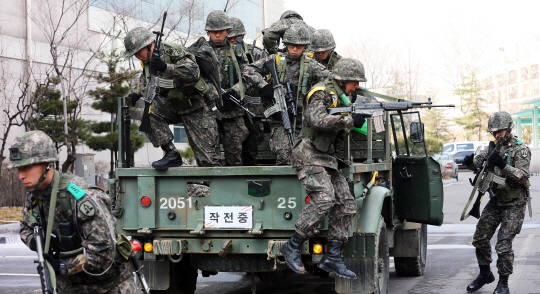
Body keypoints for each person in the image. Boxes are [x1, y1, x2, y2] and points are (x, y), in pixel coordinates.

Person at [9, 130, 137, 293]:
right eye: (18, 169)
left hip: (108, 287)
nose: (21, 175)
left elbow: (104, 251)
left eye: (27, 167)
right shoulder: (35, 198)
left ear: (48, 164)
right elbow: (25, 228)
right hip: (70, 288)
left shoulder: (79, 197)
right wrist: (37, 242)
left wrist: (63, 266)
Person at [279, 58, 370, 279]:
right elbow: (317, 119)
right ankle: (292, 245)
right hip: (307, 154)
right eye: (354, 82)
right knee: (324, 198)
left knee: (347, 204)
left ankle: (333, 256)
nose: (356, 86)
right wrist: (350, 120)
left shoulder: (341, 96)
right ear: (342, 79)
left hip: (326, 157)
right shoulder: (320, 92)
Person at [124, 27, 221, 169]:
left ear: (150, 45)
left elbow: (193, 72)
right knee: (149, 113)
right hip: (175, 105)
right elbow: (147, 79)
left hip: (197, 106)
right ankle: (171, 153)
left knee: (208, 161)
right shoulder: (147, 60)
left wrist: (167, 67)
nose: (138, 56)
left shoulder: (173, 51)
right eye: (135, 54)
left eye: (139, 52)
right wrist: (138, 93)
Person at [463, 111, 531, 294]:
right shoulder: (492, 148)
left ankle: (503, 283)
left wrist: (503, 165)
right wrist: (470, 163)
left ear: (508, 129)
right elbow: (479, 163)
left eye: (500, 131)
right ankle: (485, 273)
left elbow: (523, 175)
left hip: (515, 203)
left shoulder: (520, 149)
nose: (497, 135)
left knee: (503, 245)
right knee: (479, 238)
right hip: (496, 200)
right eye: (494, 132)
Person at [243, 24, 329, 165]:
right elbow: (248, 70)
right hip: (280, 121)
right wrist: (264, 86)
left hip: (303, 122)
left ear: (305, 46)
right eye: (291, 45)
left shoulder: (311, 65)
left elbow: (330, 81)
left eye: (299, 46)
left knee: (306, 159)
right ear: (286, 44)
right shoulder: (275, 60)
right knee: (284, 156)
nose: (294, 49)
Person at [205, 10, 249, 166]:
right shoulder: (199, 51)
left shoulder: (237, 52)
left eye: (221, 32)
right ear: (208, 31)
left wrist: (234, 91)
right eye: (214, 32)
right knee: (210, 158)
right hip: (209, 111)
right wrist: (211, 92)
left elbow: (248, 77)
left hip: (232, 110)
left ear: (227, 31)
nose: (217, 35)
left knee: (235, 156)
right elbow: (192, 78)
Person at [227, 16, 266, 166]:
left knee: (252, 144)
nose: (234, 41)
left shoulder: (256, 54)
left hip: (252, 109)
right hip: (229, 108)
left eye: (237, 38)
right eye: (231, 38)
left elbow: (262, 78)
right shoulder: (221, 54)